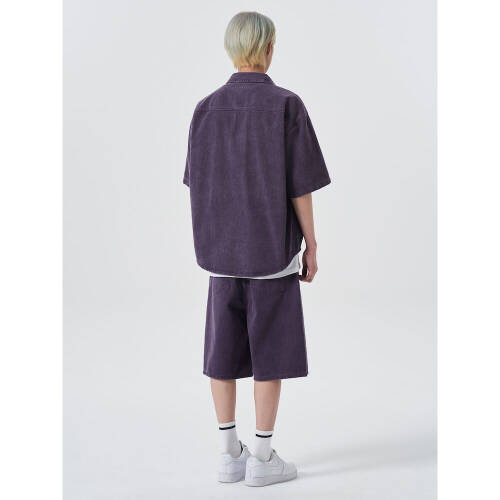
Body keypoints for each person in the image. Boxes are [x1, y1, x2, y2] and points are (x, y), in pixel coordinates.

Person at [183, 11, 331, 487]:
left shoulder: (205, 109)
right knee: (271, 352)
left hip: (221, 255)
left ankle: (229, 454)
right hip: (271, 253)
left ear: (231, 49)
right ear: (268, 48)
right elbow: (300, 185)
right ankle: (262, 458)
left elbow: (196, 183)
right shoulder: (286, 105)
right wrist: (311, 243)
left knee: (221, 352)